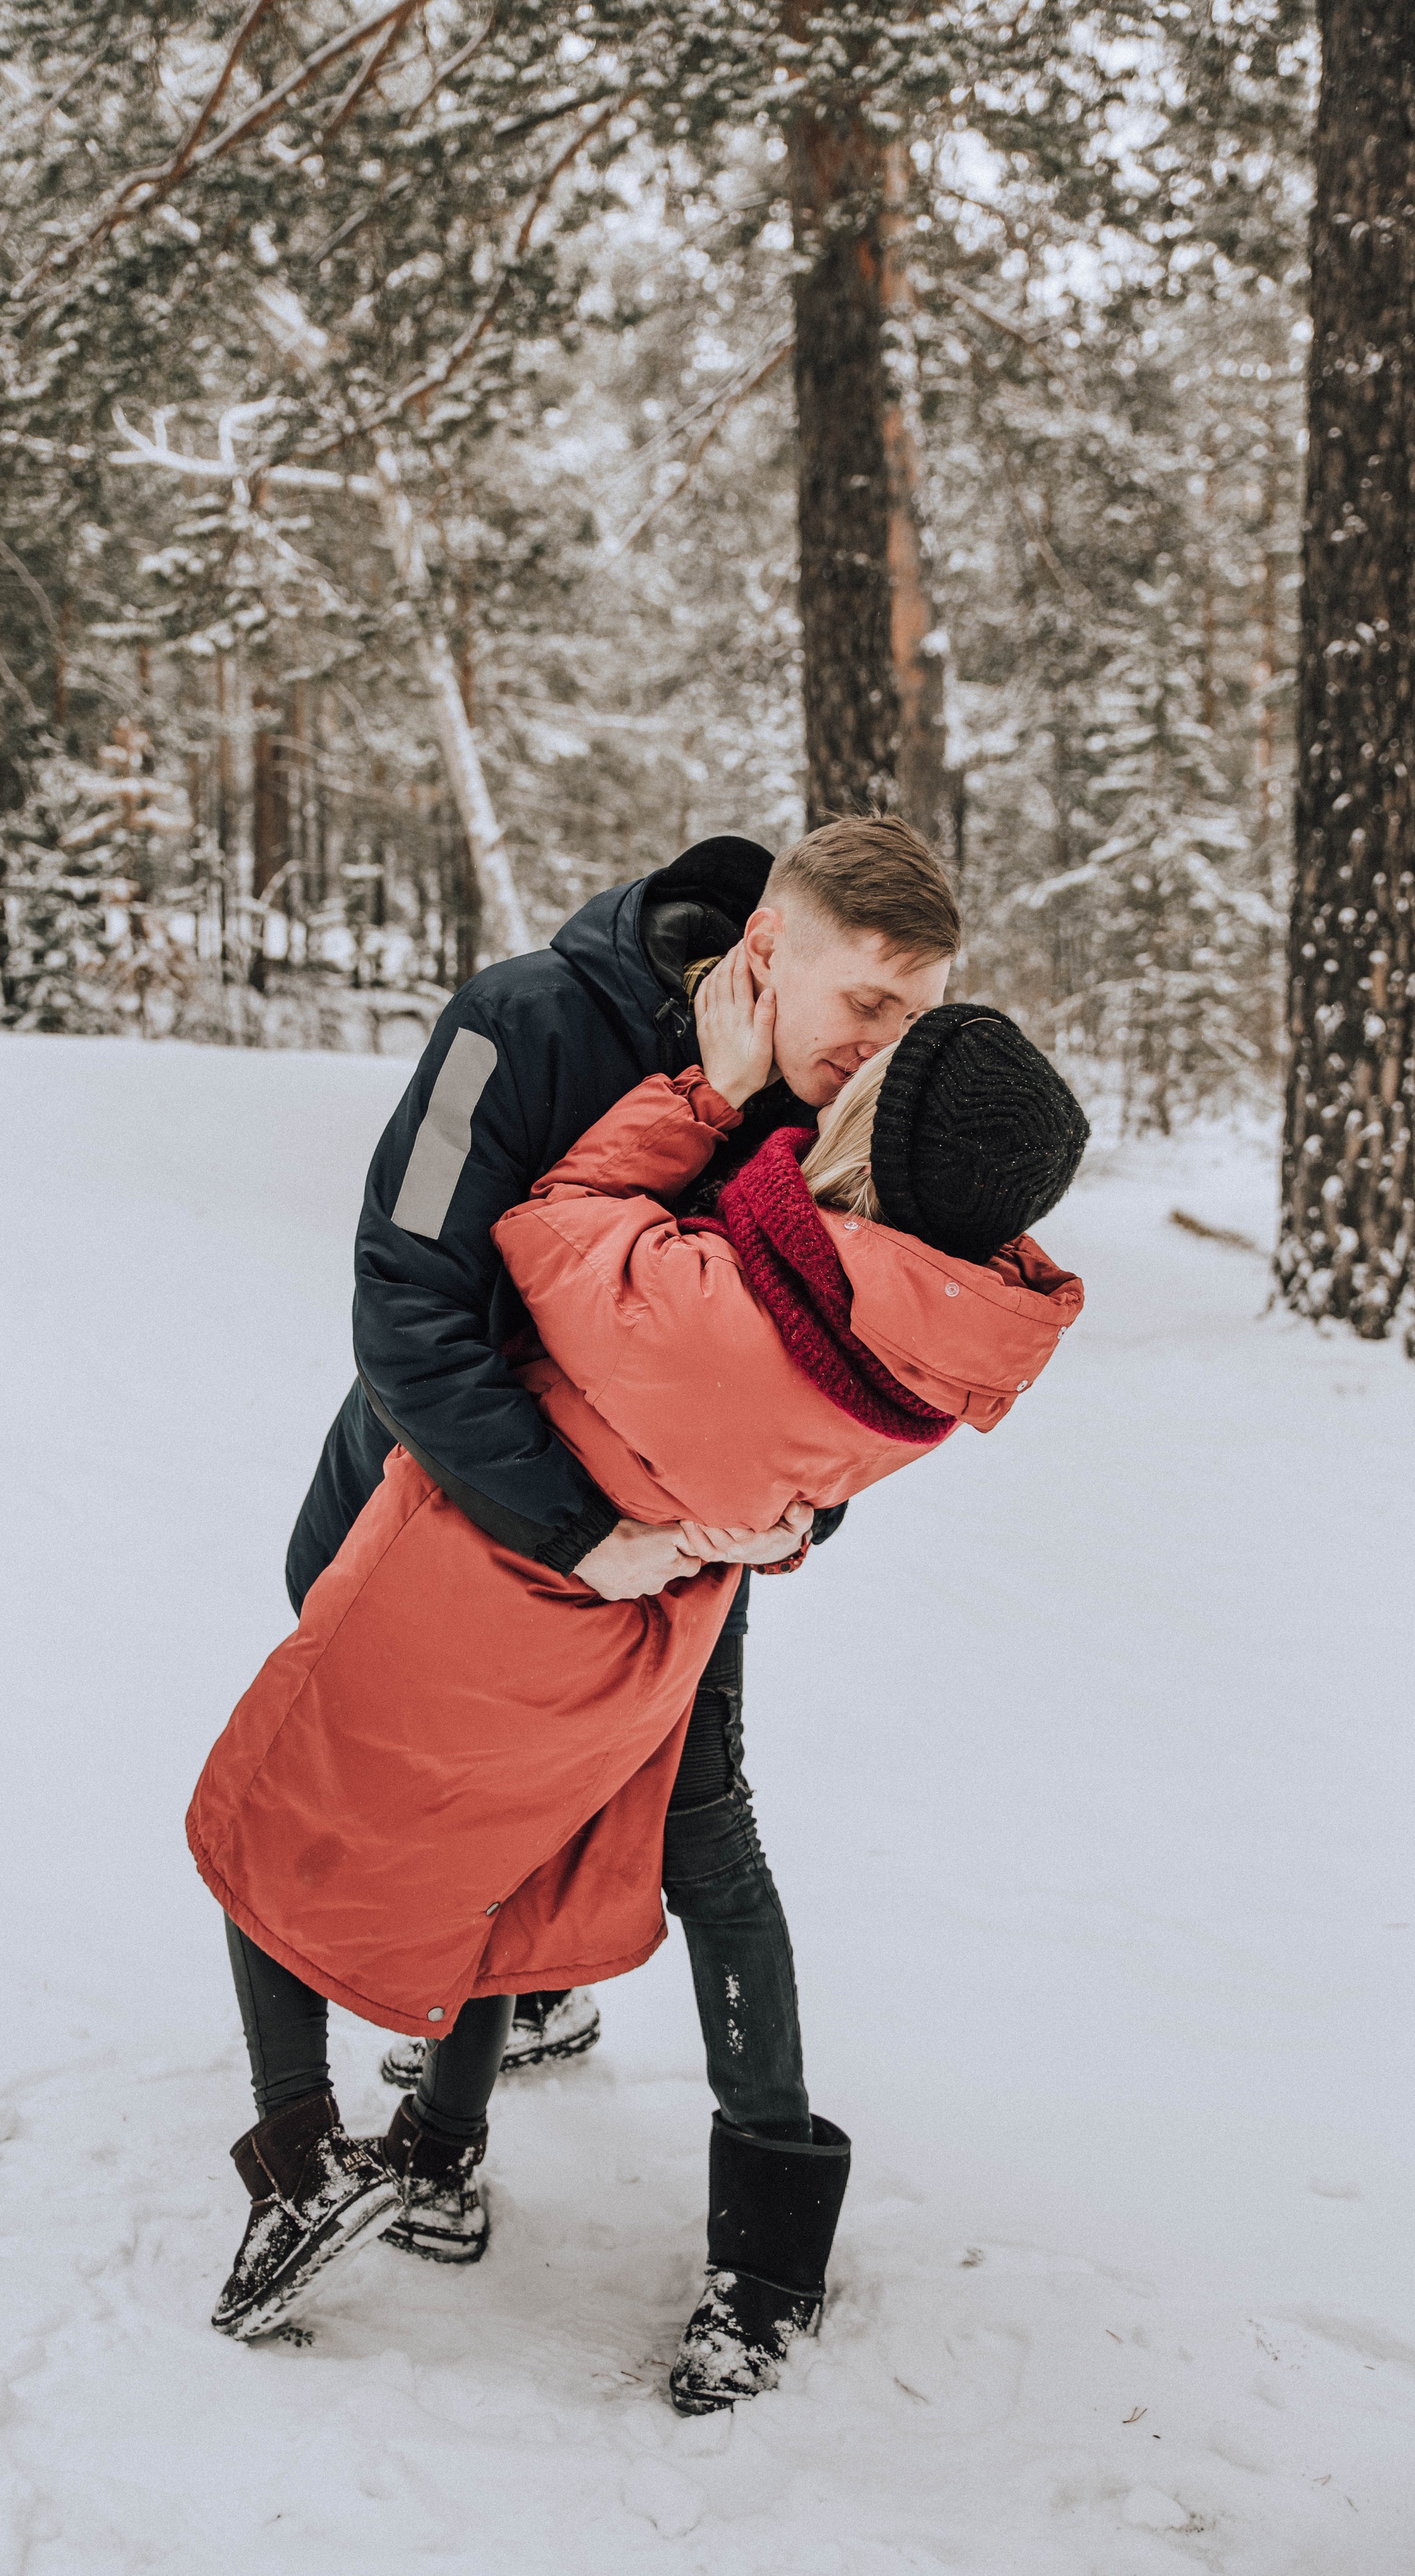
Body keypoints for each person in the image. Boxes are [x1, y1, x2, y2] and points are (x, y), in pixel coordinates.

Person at [189, 985, 1088, 2411]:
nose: (855, 1050)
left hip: (491, 1570)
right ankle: (451, 2152)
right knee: (542, 1845)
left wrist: (706, 1098)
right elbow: (794, 1475)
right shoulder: (941, 1322)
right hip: (651, 1620)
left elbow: (551, 1234)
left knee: (270, 1820)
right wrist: (772, 1523)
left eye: (885, 1046)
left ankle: (308, 2154)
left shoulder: (713, 1285)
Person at [275, 820, 957, 2155]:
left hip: (683, 1556)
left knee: (699, 1818)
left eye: (915, 1017)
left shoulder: (845, 1114)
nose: (884, 1046)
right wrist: (575, 1529)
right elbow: (406, 1301)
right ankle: (439, 2092)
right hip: (436, 1499)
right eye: (868, 1003)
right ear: (764, 949)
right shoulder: (514, 1023)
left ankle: (761, 2220)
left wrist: (801, 1512)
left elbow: (849, 1370)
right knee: (416, 1788)